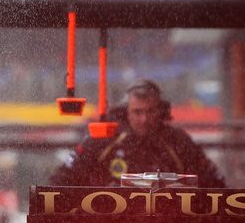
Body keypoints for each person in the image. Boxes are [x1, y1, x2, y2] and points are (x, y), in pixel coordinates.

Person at [50, 79, 225, 188]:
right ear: (126, 112)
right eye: (138, 112)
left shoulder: (178, 142)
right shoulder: (103, 139)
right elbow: (61, 179)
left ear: (161, 111)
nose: (144, 119)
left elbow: (214, 182)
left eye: (150, 112)